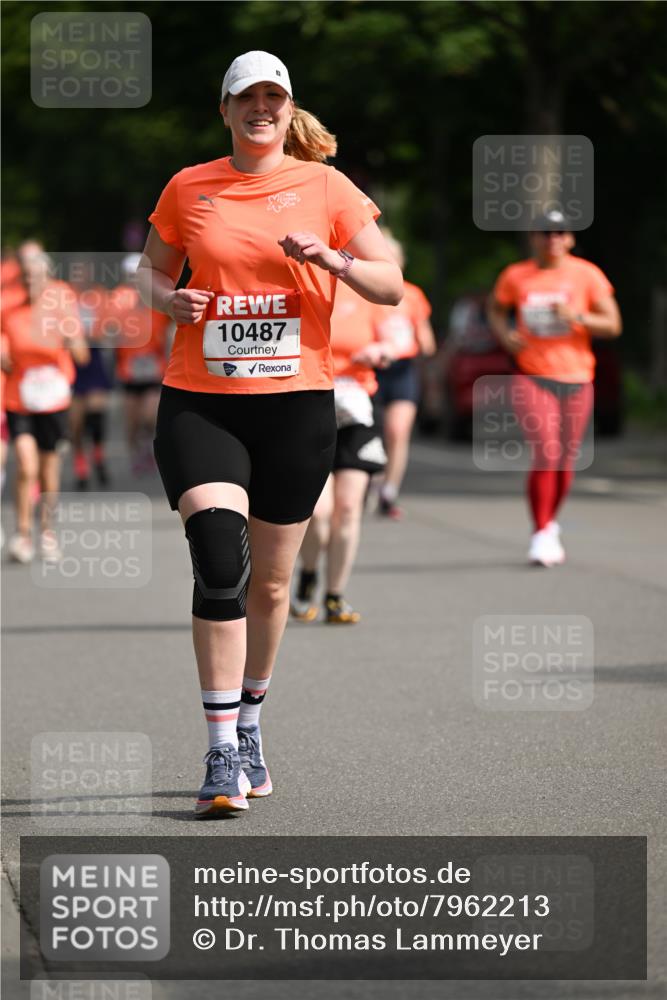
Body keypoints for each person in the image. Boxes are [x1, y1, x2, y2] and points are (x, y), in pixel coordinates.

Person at [137, 51, 402, 816]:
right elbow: (149, 271)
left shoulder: (326, 187)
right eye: (246, 98)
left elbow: (388, 285)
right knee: (221, 561)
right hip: (204, 402)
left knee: (275, 582)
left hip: (296, 406)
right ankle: (220, 751)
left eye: (273, 98)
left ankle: (250, 724)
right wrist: (169, 302)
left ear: (290, 109)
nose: (261, 108)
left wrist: (336, 259)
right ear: (224, 109)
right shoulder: (189, 186)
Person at [487, 210, 622, 566]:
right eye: (545, 232)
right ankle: (541, 531)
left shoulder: (587, 275)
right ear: (534, 237)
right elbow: (496, 310)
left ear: (571, 238)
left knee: (565, 460)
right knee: (546, 451)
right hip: (531, 375)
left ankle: (550, 522)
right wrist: (505, 335)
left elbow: (612, 324)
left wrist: (576, 317)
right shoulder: (516, 276)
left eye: (560, 232)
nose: (553, 239)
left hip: (577, 377)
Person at [291, 279, 393, 625]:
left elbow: (397, 337)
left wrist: (382, 352)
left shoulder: (366, 287)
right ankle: (307, 573)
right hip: (306, 408)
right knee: (318, 515)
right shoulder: (298, 284)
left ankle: (335, 596)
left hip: (356, 410)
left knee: (348, 508)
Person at [1, 242, 88, 563]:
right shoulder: (8, 303)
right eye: (24, 277)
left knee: (49, 471)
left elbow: (81, 353)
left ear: (47, 277)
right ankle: (23, 535)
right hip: (19, 396)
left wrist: (70, 336)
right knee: (26, 465)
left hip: (53, 397)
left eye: (35, 277)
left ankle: (47, 532)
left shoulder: (61, 298)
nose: (29, 283)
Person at [372, 231, 436, 519]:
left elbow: (427, 340)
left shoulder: (412, 295)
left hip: (402, 370)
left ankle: (389, 491)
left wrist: (424, 345)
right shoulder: (364, 292)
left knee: (397, 431)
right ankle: (369, 480)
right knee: (373, 433)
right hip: (372, 370)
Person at [109, 254, 171, 475]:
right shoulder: (118, 298)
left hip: (154, 366)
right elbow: (110, 328)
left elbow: (169, 324)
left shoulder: (155, 296)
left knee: (150, 414)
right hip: (129, 368)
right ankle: (136, 453)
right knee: (132, 420)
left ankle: (151, 450)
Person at [68, 261, 113, 490]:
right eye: (77, 273)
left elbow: (109, 325)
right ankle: (81, 466)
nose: (81, 277)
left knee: (95, 414)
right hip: (71, 360)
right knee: (75, 422)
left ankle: (98, 456)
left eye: (84, 272)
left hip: (93, 356)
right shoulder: (67, 297)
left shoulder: (99, 295)